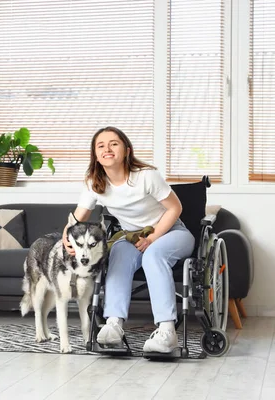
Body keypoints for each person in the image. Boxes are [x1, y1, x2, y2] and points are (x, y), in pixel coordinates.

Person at [62, 126, 195, 353]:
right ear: (95, 155)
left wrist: (153, 237)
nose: (107, 149)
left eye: (114, 143)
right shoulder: (95, 183)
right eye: (101, 145)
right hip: (132, 238)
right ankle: (113, 325)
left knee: (153, 255)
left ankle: (166, 331)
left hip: (173, 232)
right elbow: (77, 218)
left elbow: (176, 208)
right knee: (118, 255)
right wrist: (66, 237)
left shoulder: (146, 177)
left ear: (126, 150)